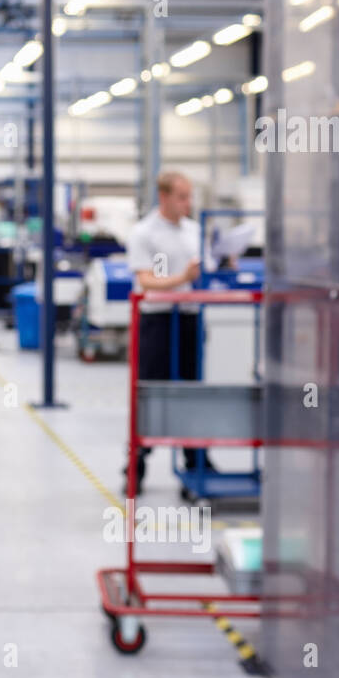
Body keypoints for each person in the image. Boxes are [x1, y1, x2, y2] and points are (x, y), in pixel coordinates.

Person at [124, 171, 214, 495]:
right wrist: (182, 277)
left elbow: (208, 267)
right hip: (158, 322)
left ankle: (196, 462)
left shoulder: (194, 230)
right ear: (164, 197)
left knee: (191, 392)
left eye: (190, 197)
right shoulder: (144, 233)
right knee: (148, 393)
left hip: (188, 320)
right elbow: (146, 280)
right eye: (182, 197)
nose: (188, 203)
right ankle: (136, 467)